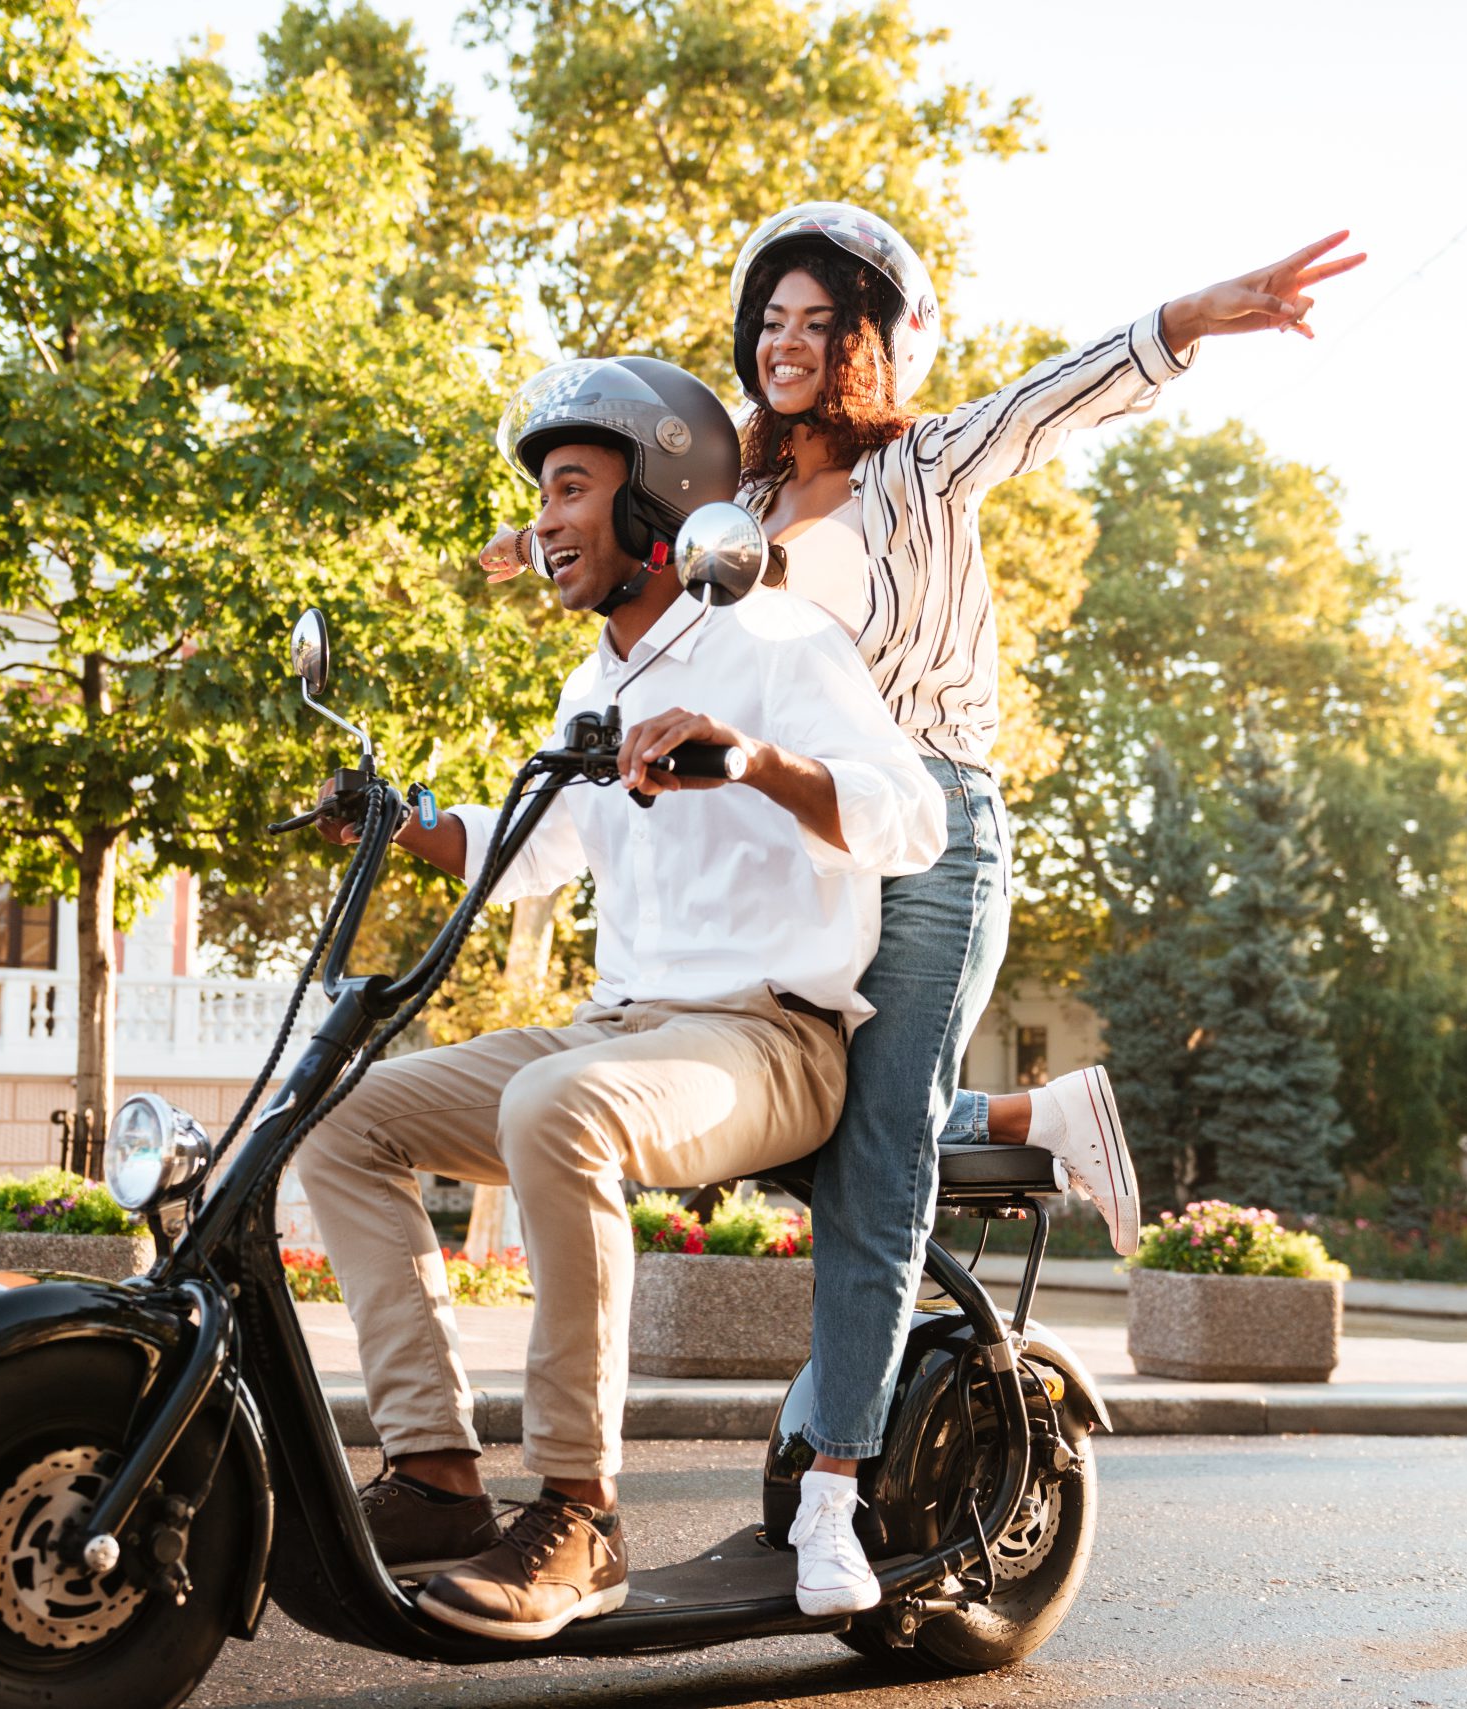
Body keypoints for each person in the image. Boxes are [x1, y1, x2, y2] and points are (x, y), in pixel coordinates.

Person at [486, 206, 1365, 1618]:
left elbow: (1055, 397)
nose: (785, 344)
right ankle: (1026, 1121)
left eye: (816, 320)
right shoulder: (741, 511)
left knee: (880, 1140)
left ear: (871, 337)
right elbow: (661, 591)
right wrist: (545, 543)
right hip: (799, 827)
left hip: (931, 826)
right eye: (766, 321)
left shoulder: (927, 461)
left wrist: (1193, 318)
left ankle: (837, 1484)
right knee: (799, 1119)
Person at [296, 354, 944, 1642]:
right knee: (341, 1115)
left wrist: (754, 761)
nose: (542, 520)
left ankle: (580, 1513)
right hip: (624, 1031)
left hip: (771, 1037)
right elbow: (530, 854)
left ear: (658, 501)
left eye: (572, 487)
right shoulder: (597, 681)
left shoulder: (776, 640)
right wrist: (401, 821)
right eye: (540, 493)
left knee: (559, 1108)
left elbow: (912, 819)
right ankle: (433, 1472)